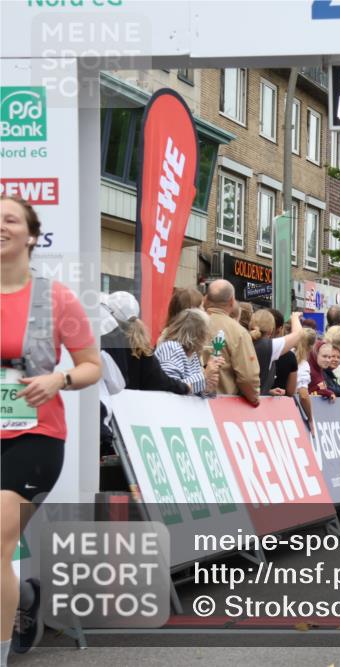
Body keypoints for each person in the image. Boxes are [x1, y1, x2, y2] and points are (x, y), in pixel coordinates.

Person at [1, 195, 101, 659]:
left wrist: (58, 378)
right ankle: (25, 598)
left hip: (34, 435)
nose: (0, 226)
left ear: (32, 236)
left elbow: (91, 367)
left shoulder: (53, 297)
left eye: (10, 219)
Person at [101, 292, 194, 395]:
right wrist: (184, 387)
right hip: (133, 406)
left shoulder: (105, 341)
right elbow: (160, 380)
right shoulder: (141, 347)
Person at [202, 280, 260, 406]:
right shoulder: (238, 332)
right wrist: (254, 398)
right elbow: (248, 377)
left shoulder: (190, 323)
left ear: (205, 299)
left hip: (187, 404)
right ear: (232, 301)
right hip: (222, 407)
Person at [155, 308, 222, 396]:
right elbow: (172, 389)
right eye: (206, 332)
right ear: (198, 334)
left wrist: (207, 388)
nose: (207, 337)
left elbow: (191, 391)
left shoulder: (192, 355)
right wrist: (204, 375)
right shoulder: (171, 348)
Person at [248, 309, 304, 396]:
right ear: (271, 330)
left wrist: (268, 392)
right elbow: (298, 334)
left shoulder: (243, 340)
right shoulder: (268, 346)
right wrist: (295, 317)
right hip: (254, 404)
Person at [267, 308, 300, 397]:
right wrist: (295, 317)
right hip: (279, 406)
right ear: (280, 329)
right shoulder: (289, 356)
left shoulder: (250, 347)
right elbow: (290, 392)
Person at [293, 328, 318, 427]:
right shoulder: (303, 365)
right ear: (312, 347)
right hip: (289, 408)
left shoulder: (285, 353)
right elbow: (303, 395)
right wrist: (310, 418)